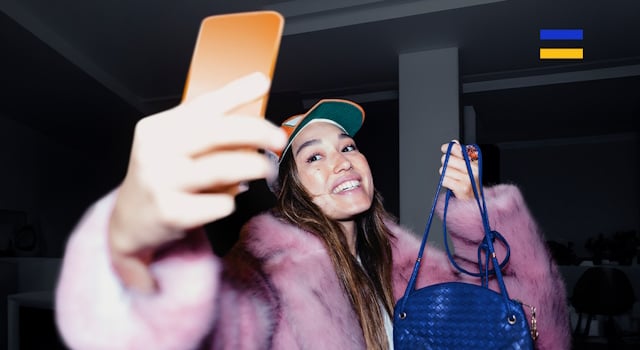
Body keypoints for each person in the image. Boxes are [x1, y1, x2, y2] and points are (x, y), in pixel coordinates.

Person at [55, 73, 570, 349]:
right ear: (292, 190)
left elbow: (533, 321)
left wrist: (473, 211)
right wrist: (133, 250)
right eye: (314, 156)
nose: (342, 162)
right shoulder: (270, 275)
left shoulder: (399, 261)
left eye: (347, 146)